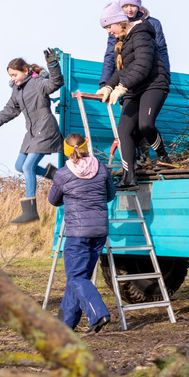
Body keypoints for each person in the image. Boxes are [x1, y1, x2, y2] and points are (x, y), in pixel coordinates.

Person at [0, 50, 63, 224]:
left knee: (28, 166)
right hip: (32, 133)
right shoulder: (17, 91)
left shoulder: (38, 82)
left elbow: (55, 83)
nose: (13, 78)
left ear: (25, 70)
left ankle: (30, 210)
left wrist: (53, 65)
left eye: (15, 74)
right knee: (20, 166)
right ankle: (55, 174)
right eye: (10, 75)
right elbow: (9, 111)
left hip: (45, 129)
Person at [95, 1, 170, 189]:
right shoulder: (123, 41)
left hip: (153, 84)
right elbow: (122, 70)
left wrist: (122, 87)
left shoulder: (142, 34)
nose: (108, 32)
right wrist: (109, 86)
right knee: (124, 132)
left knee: (145, 124)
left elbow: (143, 66)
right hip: (134, 88)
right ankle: (129, 178)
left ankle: (163, 157)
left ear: (119, 21)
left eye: (108, 27)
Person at [47, 132, 114, 333]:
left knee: (76, 276)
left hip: (77, 233)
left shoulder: (62, 174)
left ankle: (98, 313)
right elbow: (110, 194)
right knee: (79, 277)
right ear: (86, 146)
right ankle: (66, 323)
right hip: (99, 231)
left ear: (67, 151)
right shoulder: (101, 168)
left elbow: (53, 200)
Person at [100, 0, 170, 85]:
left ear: (138, 6)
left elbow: (162, 50)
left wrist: (166, 76)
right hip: (127, 80)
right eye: (125, 6)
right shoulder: (116, 27)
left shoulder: (153, 23)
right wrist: (104, 83)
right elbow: (110, 55)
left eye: (132, 6)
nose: (129, 10)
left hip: (151, 78)